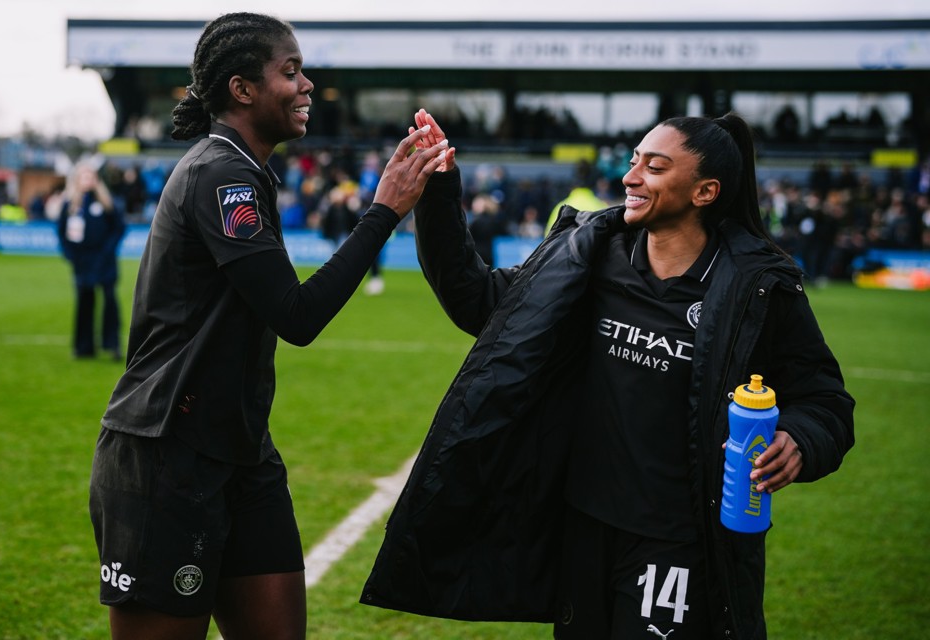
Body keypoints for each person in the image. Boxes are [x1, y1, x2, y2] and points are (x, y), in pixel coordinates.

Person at [361, 109, 855, 640]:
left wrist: (800, 440)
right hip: (582, 529)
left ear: (705, 192)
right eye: (634, 160)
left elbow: (824, 401)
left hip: (679, 538)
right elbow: (475, 299)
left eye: (656, 167)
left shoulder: (756, 288)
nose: (631, 176)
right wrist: (440, 191)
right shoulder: (588, 257)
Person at [87, 13, 449, 640]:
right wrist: (385, 211)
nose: (307, 85)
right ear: (242, 89)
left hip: (242, 451)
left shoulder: (247, 172)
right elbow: (296, 316)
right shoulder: (220, 175)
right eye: (291, 71)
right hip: (169, 453)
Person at [57, 163, 125, 360]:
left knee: (109, 301)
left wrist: (107, 250)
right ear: (77, 180)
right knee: (84, 302)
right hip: (83, 262)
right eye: (84, 176)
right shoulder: (70, 205)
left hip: (104, 261)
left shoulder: (107, 202)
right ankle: (83, 347)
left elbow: (118, 228)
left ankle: (112, 345)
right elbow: (62, 232)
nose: (88, 180)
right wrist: (70, 254)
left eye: (90, 176)